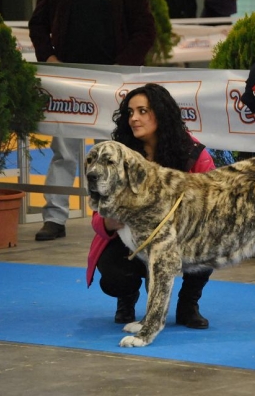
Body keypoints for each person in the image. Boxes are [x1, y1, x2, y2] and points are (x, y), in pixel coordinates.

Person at [28, 0, 156, 241]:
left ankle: (114, 218)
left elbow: (145, 30)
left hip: (112, 83)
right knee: (63, 151)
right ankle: (54, 218)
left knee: (113, 155)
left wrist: (122, 67)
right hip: (67, 79)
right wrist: (48, 57)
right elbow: (38, 24)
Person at [87, 83, 215, 329]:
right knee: (115, 278)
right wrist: (107, 221)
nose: (134, 118)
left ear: (161, 113)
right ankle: (127, 297)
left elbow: (213, 200)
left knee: (207, 240)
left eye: (142, 111)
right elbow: (97, 214)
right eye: (131, 112)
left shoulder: (193, 152)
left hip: (180, 237)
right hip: (130, 240)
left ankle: (188, 304)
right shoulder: (117, 154)